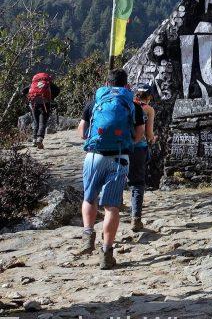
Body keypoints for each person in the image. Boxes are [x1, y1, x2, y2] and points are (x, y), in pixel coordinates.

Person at [76, 69, 145, 269]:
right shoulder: (133, 104)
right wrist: (124, 141)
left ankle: (88, 234)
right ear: (126, 85)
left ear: (107, 83)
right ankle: (106, 253)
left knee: (89, 198)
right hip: (120, 158)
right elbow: (139, 135)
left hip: (94, 156)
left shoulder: (94, 102)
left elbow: (82, 132)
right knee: (111, 206)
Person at [128, 82, 156, 232]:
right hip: (139, 148)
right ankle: (136, 219)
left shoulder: (127, 105)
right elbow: (149, 134)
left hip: (122, 147)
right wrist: (153, 139)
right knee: (138, 182)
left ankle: (117, 204)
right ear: (149, 96)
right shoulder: (148, 109)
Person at [22, 72, 60, 149]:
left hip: (33, 104)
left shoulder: (33, 84)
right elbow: (57, 90)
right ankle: (40, 139)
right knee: (42, 122)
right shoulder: (48, 83)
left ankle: (34, 140)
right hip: (45, 104)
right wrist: (51, 98)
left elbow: (23, 91)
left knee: (36, 122)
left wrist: (28, 99)